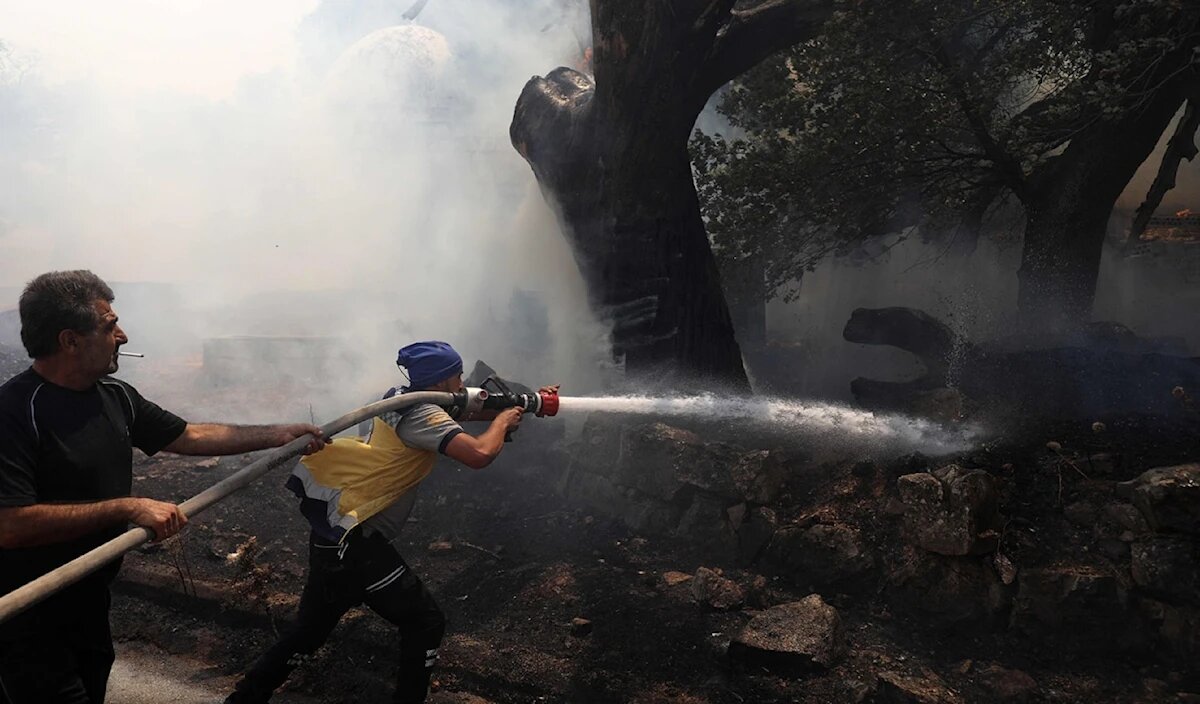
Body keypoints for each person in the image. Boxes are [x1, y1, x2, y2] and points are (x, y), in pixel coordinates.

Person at [0, 270, 330, 704]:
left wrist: (278, 434)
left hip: (90, 599)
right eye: (109, 325)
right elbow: (10, 525)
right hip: (27, 612)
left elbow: (189, 435)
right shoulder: (14, 412)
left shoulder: (115, 395)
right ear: (70, 340)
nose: (122, 335)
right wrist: (125, 508)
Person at [225, 340, 557, 704]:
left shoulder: (401, 398)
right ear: (442, 380)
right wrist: (502, 422)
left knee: (308, 633)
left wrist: (528, 404)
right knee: (425, 621)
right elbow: (479, 454)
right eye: (458, 375)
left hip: (336, 533)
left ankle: (244, 698)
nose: (463, 383)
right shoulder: (422, 415)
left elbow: (463, 411)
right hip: (357, 541)